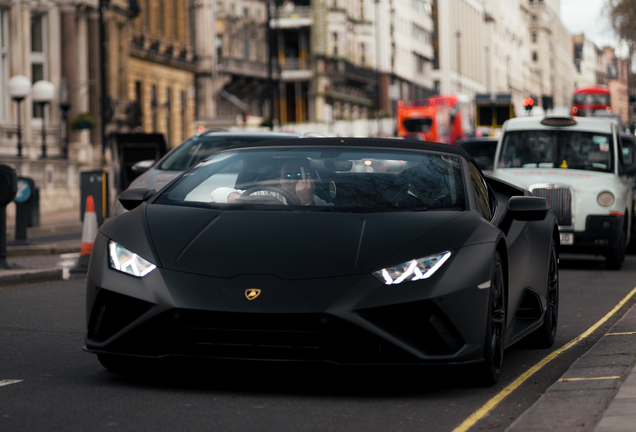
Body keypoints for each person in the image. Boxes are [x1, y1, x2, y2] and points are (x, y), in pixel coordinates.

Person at [211, 157, 331, 206]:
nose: (293, 181)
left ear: (309, 179)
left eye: (299, 175)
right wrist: (242, 199)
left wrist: (307, 201)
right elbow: (217, 192)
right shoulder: (266, 196)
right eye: (287, 176)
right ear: (280, 181)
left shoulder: (318, 203)